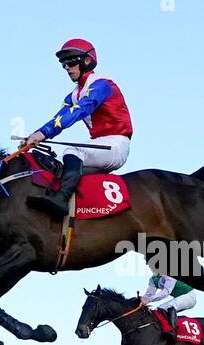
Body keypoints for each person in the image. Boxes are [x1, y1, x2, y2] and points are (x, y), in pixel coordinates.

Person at [21, 38, 134, 218]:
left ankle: (61, 199)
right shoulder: (73, 95)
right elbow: (59, 119)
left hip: (115, 144)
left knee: (73, 150)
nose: (67, 67)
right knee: (53, 160)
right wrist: (34, 137)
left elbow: (81, 110)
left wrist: (42, 133)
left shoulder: (102, 85)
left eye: (71, 61)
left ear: (87, 61)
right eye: (64, 63)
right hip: (99, 144)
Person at [140, 273, 196, 340]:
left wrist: (148, 299)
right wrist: (140, 300)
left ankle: (172, 332)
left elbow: (166, 292)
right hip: (179, 298)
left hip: (189, 296)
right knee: (158, 310)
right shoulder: (153, 279)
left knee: (164, 308)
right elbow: (148, 295)